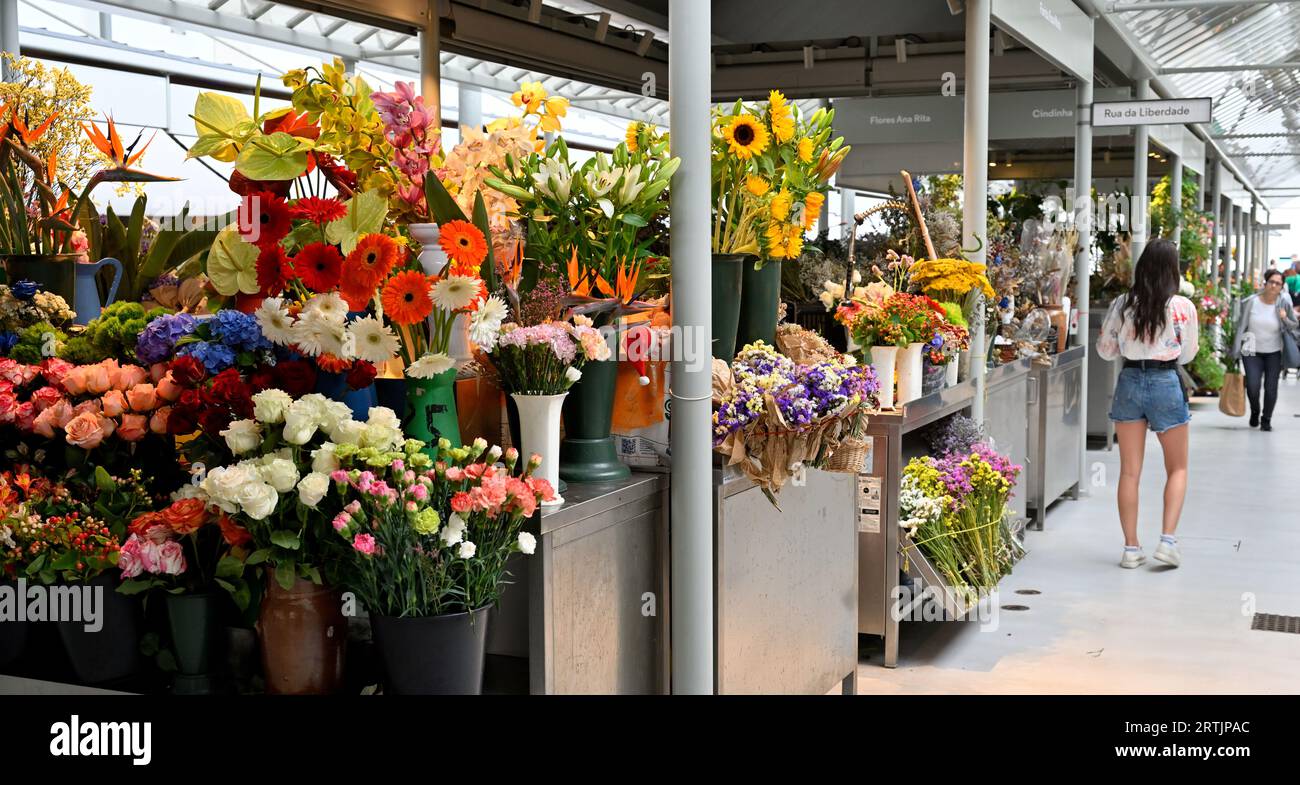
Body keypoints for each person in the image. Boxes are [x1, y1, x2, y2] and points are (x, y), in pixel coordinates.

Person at [1097, 239, 1198, 569]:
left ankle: (1130, 548)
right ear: (1173, 269)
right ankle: (1167, 542)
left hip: (1129, 382)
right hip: (1165, 381)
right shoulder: (1182, 306)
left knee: (1129, 472)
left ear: (1142, 267)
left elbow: (1105, 350)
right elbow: (1189, 353)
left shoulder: (1123, 304)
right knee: (1178, 467)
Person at [1230, 268, 1298, 430]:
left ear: (1282, 287)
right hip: (1251, 350)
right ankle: (1255, 411)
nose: (1274, 286)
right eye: (1271, 282)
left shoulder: (1284, 303)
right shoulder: (1251, 302)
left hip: (1274, 352)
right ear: (1265, 283)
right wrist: (1235, 348)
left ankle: (1266, 419)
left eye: (1278, 283)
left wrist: (1284, 318)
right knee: (1253, 386)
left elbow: (1294, 325)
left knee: (1271, 387)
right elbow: (1241, 326)